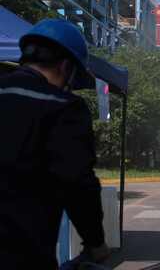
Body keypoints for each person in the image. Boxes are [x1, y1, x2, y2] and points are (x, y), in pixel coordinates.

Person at [0, 19, 109, 269]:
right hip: (21, 253)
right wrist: (95, 241)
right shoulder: (63, 107)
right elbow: (78, 181)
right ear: (66, 67)